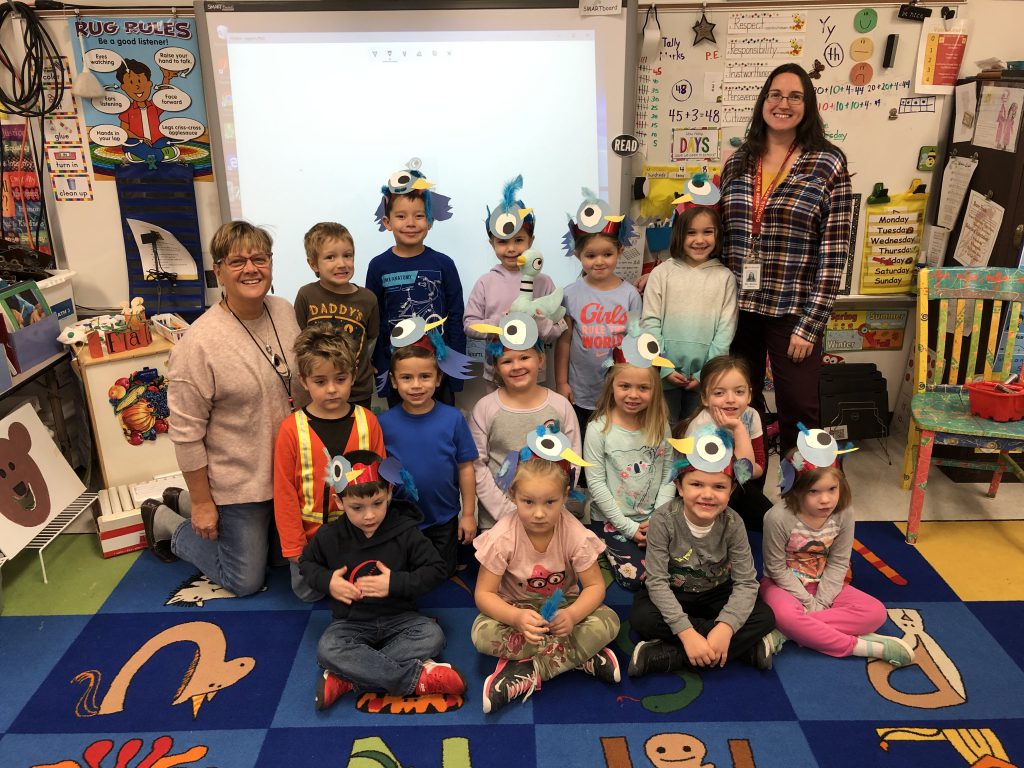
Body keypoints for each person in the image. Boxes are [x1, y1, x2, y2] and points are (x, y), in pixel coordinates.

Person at [145, 221, 305, 596]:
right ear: (218, 271)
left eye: (259, 258)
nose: (251, 268)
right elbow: (186, 434)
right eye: (237, 261)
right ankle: (169, 518)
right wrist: (203, 503)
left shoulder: (282, 310)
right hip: (238, 483)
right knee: (245, 580)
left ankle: (180, 498)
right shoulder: (197, 344)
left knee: (286, 558)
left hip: (286, 474)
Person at [720, 62, 854, 454]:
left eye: (795, 96)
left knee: (800, 410)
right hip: (737, 308)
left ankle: (809, 506)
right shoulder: (738, 162)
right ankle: (747, 496)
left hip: (792, 312)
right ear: (763, 101)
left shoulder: (828, 164)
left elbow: (834, 253)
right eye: (775, 94)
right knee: (740, 407)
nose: (783, 103)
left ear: (807, 106)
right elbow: (721, 237)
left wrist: (811, 325)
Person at [299, 450, 467, 710]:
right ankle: (415, 678)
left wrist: (395, 584)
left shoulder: (406, 533)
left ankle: (348, 679)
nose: (369, 515)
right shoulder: (329, 536)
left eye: (377, 503)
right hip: (351, 623)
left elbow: (437, 569)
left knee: (433, 635)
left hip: (400, 620)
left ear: (389, 492)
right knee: (327, 648)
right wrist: (327, 581)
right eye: (357, 507)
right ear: (339, 502)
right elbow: (307, 565)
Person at [472, 456, 621, 713]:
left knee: (610, 621)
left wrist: (573, 615)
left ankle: (528, 669)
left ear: (565, 496)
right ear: (512, 495)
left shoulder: (575, 533)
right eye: (528, 502)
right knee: (480, 633)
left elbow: (595, 587)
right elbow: (484, 594)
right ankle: (580, 656)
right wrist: (516, 617)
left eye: (550, 502)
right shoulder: (501, 538)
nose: (539, 513)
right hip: (517, 608)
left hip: (565, 606)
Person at [628, 425, 776, 677]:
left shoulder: (733, 523)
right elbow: (657, 582)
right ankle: (738, 650)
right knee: (641, 616)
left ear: (730, 490)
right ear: (680, 486)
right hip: (673, 592)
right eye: (696, 484)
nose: (707, 495)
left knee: (765, 616)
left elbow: (746, 583)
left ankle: (671, 656)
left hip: (715, 593)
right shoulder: (663, 519)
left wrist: (726, 628)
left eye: (719, 487)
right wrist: (687, 633)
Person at [760, 429, 914, 667]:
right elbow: (775, 569)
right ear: (796, 489)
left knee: (875, 612)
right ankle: (862, 646)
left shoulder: (844, 513)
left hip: (825, 584)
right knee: (782, 615)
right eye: (814, 491)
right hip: (784, 586)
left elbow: (840, 561)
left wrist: (820, 602)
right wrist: (807, 601)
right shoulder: (777, 517)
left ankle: (788, 634)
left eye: (832, 489)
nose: (825, 500)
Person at [273, 324, 386, 601]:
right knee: (309, 595)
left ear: (353, 376)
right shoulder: (291, 429)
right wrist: (294, 548)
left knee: (365, 593)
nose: (332, 389)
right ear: (304, 381)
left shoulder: (367, 422)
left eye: (341, 378)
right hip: (310, 541)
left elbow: (381, 484)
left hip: (359, 534)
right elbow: (284, 493)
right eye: (320, 382)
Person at [469, 314, 580, 530]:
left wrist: (553, 503)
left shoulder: (560, 405)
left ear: (540, 359)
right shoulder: (485, 408)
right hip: (497, 520)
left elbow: (573, 458)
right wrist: (505, 512)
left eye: (524, 358)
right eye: (507, 361)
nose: (516, 366)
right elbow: (477, 465)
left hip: (548, 515)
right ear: (496, 367)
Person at [366, 165, 465, 406]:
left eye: (419, 216)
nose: (411, 223)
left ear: (430, 221)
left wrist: (454, 373)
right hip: (398, 372)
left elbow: (455, 316)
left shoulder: (444, 264)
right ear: (387, 222)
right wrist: (381, 367)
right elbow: (374, 322)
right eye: (401, 216)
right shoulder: (378, 266)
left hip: (438, 371)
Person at [379, 343, 478, 577]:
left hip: (444, 517)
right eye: (406, 377)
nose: (416, 385)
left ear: (438, 378)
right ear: (394, 381)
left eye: (424, 376)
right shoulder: (383, 423)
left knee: (441, 575)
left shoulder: (453, 419)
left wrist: (468, 515)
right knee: (405, 575)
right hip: (400, 519)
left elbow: (466, 468)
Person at [556, 190, 642, 450]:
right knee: (583, 446)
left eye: (607, 254)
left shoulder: (630, 294)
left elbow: (636, 345)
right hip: (581, 390)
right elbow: (565, 341)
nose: (599, 261)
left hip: (620, 392)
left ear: (620, 250)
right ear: (577, 255)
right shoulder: (570, 294)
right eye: (590, 256)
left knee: (613, 445)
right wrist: (561, 382)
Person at [641, 199, 737, 424]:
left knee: (699, 434)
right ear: (679, 234)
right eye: (691, 232)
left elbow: (726, 331)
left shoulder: (725, 278)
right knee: (665, 434)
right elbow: (650, 322)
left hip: (706, 377)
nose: (700, 240)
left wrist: (706, 373)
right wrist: (663, 367)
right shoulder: (661, 274)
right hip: (664, 375)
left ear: (718, 235)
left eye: (707, 232)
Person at [465, 175, 564, 390]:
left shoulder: (544, 282)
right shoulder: (485, 282)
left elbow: (557, 327)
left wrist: (538, 323)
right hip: (496, 371)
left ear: (531, 241)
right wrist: (501, 324)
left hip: (534, 372)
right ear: (492, 244)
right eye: (502, 242)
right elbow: (469, 324)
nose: (511, 249)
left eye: (519, 240)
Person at [584, 359, 675, 591]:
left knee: (681, 568)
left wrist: (656, 519)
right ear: (611, 386)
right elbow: (595, 483)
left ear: (654, 390)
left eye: (643, 388)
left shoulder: (660, 424)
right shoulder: (598, 428)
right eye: (625, 386)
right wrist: (629, 529)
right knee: (636, 578)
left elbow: (668, 473)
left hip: (655, 516)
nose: (633, 395)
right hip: (611, 520)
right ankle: (603, 552)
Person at [676, 356, 772, 532]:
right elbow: (702, 480)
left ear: (749, 394)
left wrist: (739, 429)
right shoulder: (701, 426)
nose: (731, 399)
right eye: (719, 393)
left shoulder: (751, 416)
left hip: (736, 484)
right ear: (705, 398)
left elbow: (754, 470)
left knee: (770, 519)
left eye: (739, 392)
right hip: (706, 488)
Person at [293, 222, 380, 411]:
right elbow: (299, 337)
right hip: (319, 389)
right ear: (313, 263)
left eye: (347, 256)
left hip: (358, 390)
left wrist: (365, 364)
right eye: (330, 257)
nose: (342, 264)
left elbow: (371, 339)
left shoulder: (368, 298)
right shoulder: (306, 295)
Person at [115, 58, 182, 164]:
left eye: (140, 81)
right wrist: (140, 138)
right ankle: (157, 154)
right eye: (131, 82)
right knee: (131, 144)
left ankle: (145, 155)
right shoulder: (127, 110)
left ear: (149, 83)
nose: (137, 86)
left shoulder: (154, 106)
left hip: (156, 141)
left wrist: (166, 79)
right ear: (124, 87)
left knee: (166, 142)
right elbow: (124, 130)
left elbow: (162, 96)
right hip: (137, 141)